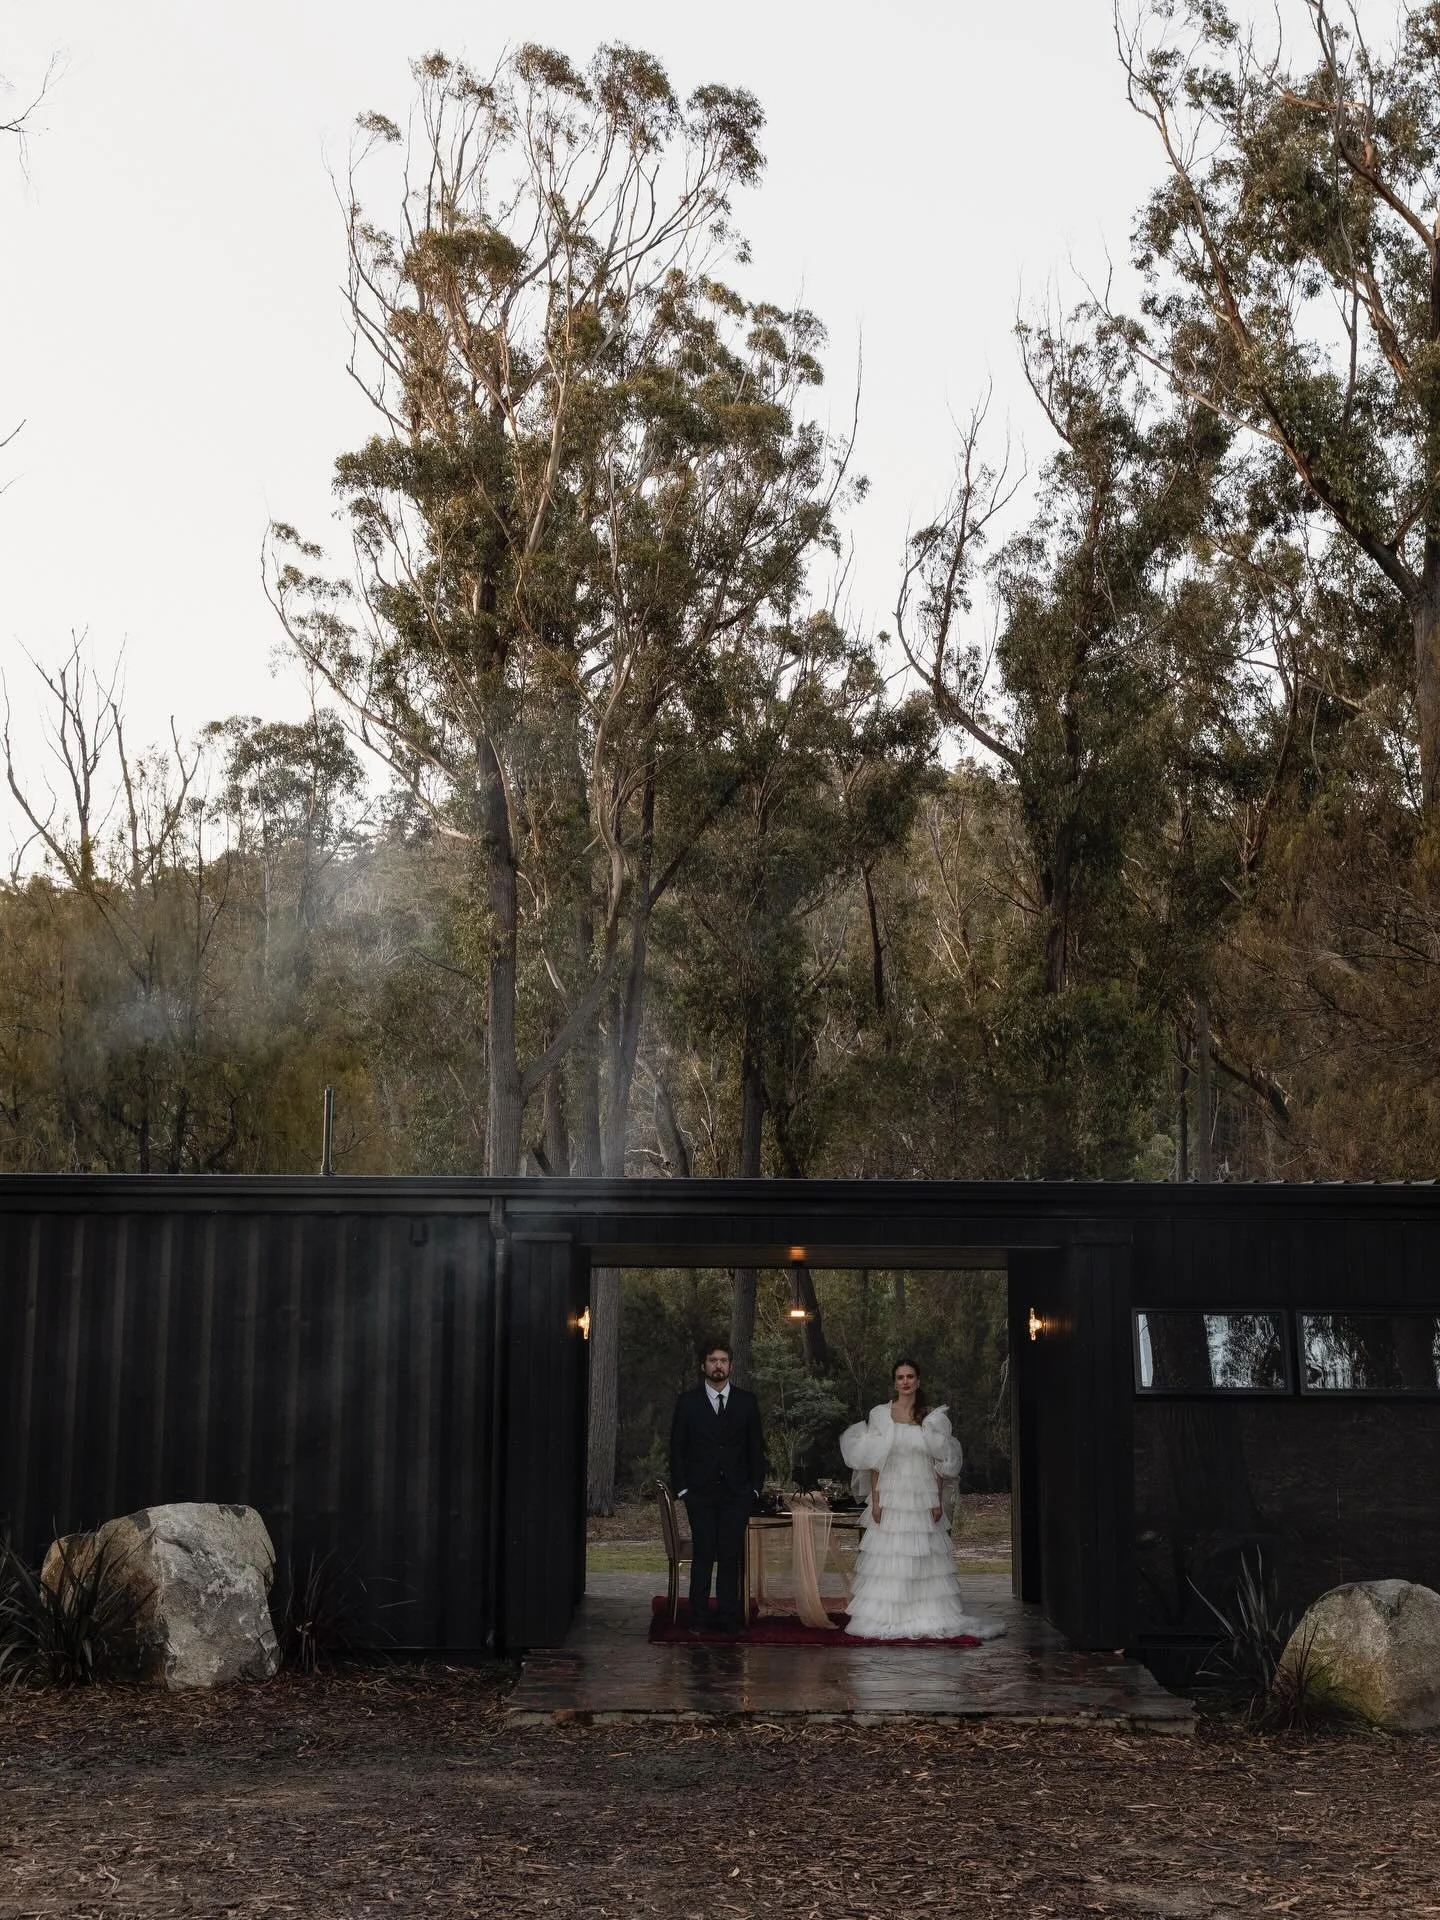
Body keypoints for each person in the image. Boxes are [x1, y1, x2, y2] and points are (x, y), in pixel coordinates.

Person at [838, 1357, 1003, 1642]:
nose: (905, 1382)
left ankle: (925, 1612)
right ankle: (890, 1614)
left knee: (923, 1554)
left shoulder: (931, 1417)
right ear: (894, 1382)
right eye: (900, 1377)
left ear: (918, 1381)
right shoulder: (881, 1415)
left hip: (922, 1494)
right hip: (891, 1493)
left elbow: (939, 1463)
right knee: (891, 1553)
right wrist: (876, 1500)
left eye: (910, 1377)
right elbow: (875, 1462)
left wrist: (937, 1500)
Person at [669, 1338, 767, 1634]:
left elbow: (755, 1449)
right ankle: (698, 1619)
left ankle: (728, 1618)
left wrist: (754, 1489)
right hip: (699, 1493)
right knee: (703, 1555)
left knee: (729, 1556)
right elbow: (677, 1448)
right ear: (703, 1366)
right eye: (713, 1360)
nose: (718, 1365)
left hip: (737, 1492)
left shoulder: (746, 1401)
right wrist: (683, 1489)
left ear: (731, 1366)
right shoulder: (687, 1402)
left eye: (723, 1360)